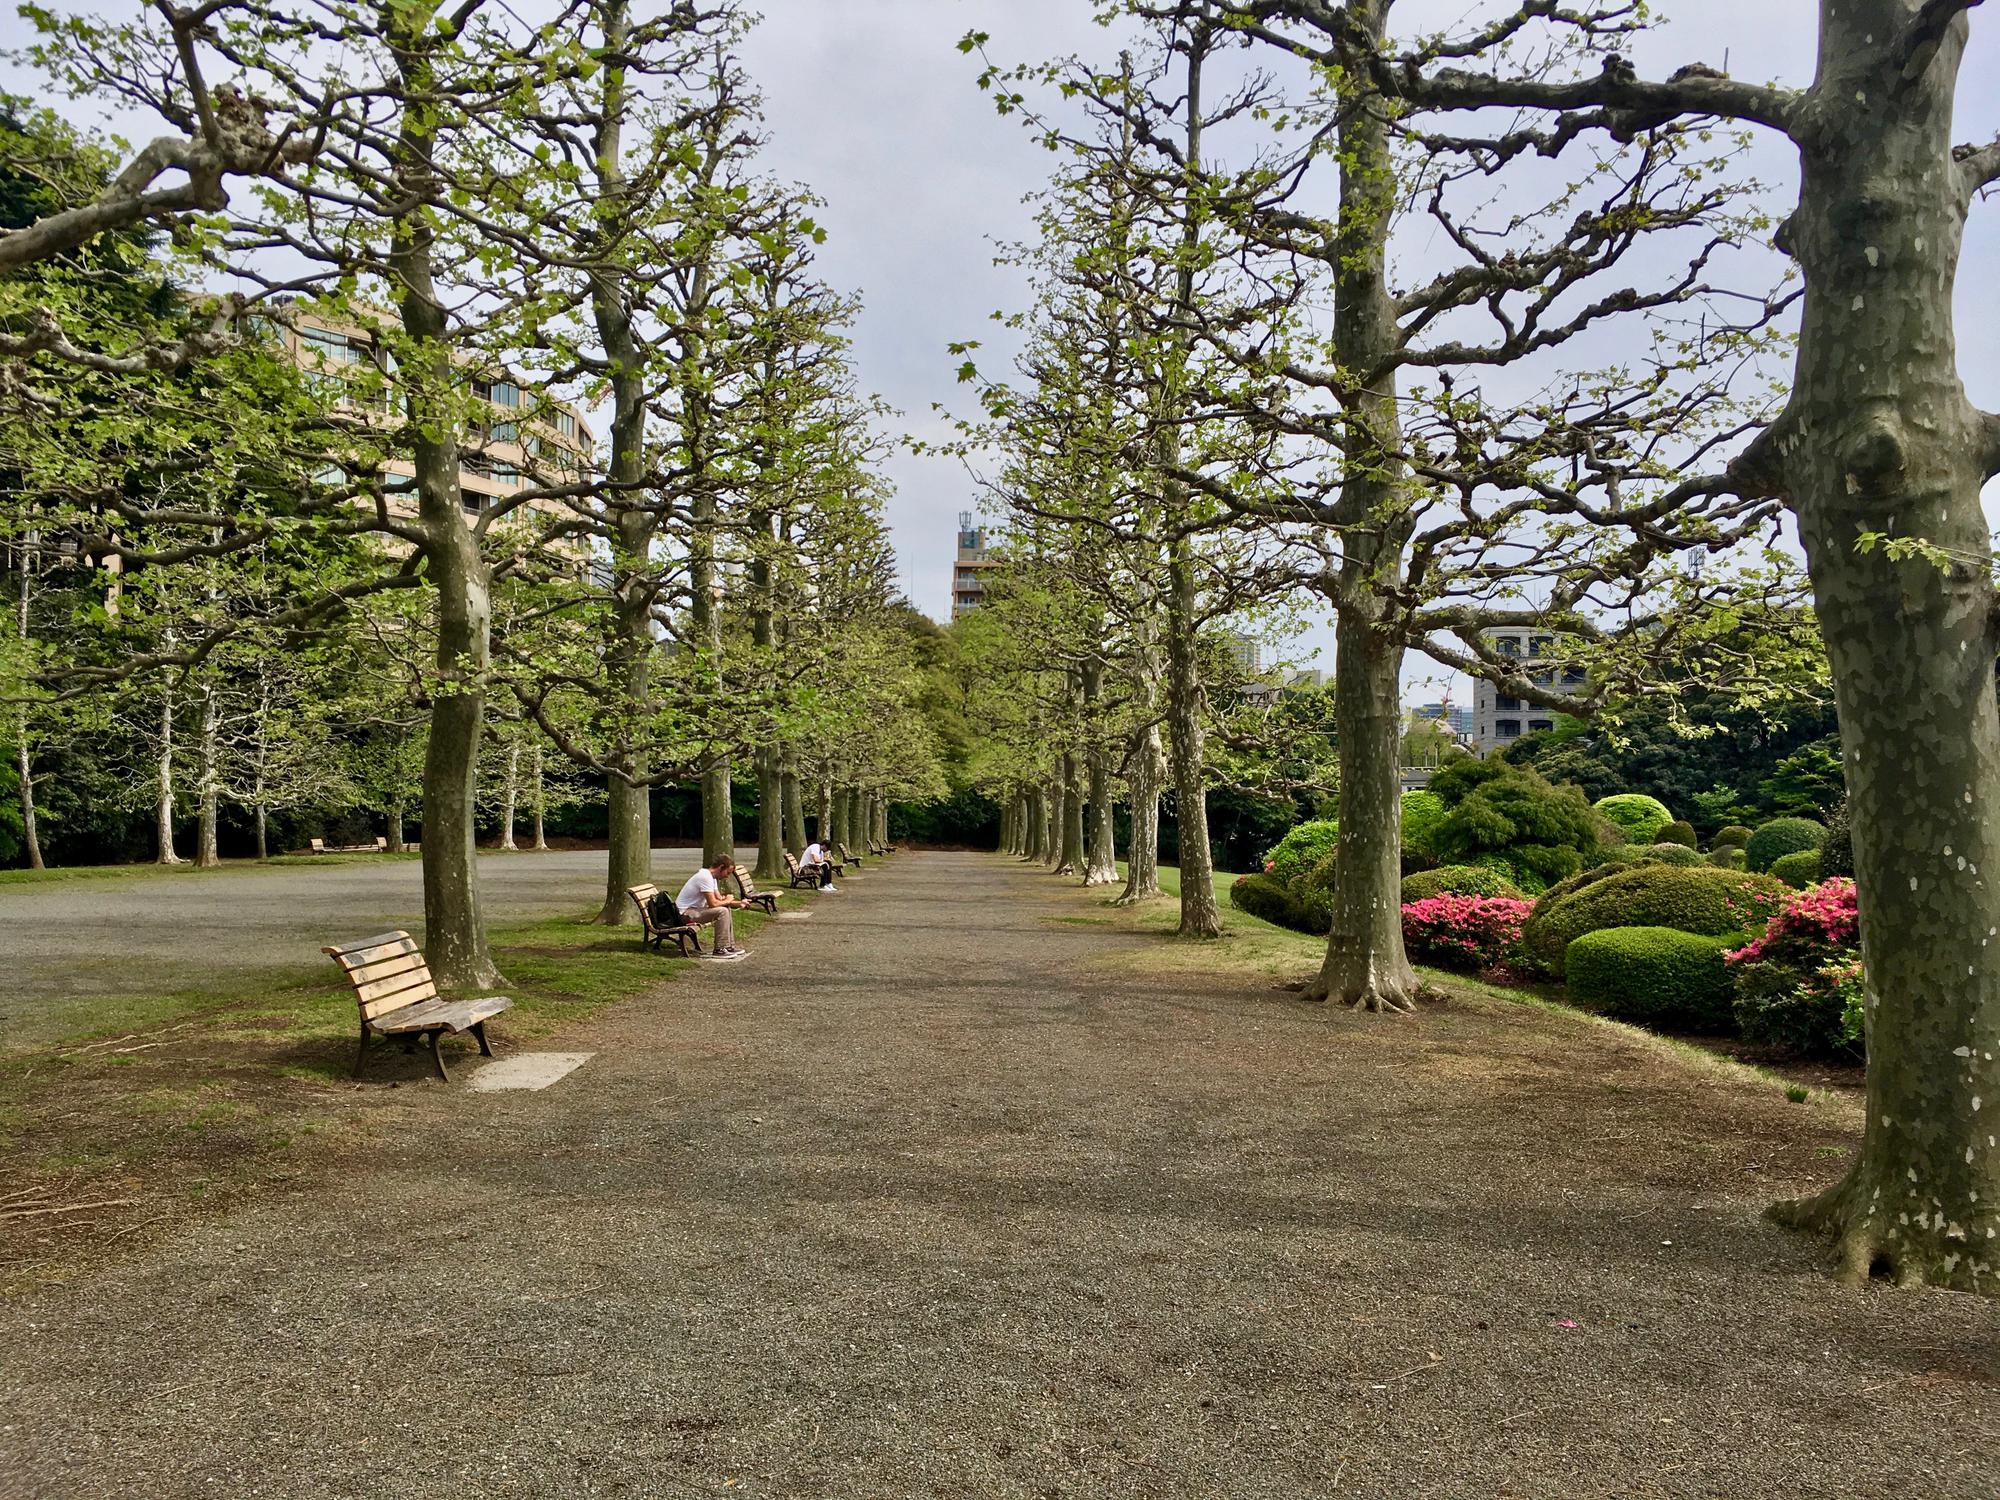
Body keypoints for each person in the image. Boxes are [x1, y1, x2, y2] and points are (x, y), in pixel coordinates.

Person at [677, 855, 750, 960]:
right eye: (727, 873)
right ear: (721, 867)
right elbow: (713, 904)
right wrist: (728, 900)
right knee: (722, 911)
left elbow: (719, 900)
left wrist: (739, 903)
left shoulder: (712, 878)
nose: (727, 876)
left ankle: (728, 946)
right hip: (684, 914)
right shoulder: (704, 877)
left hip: (694, 910)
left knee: (725, 909)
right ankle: (719, 949)